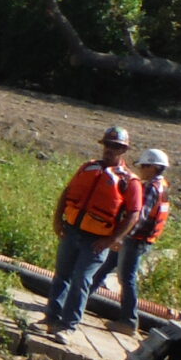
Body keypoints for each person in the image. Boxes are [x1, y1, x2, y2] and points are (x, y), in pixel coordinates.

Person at [44, 125, 141, 334]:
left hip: (97, 240)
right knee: (62, 275)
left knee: (81, 280)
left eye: (116, 146)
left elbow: (134, 214)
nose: (110, 150)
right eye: (108, 145)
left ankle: (68, 326)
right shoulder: (88, 167)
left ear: (123, 150)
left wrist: (111, 240)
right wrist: (57, 220)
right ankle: (51, 318)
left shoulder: (129, 181)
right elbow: (67, 192)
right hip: (72, 230)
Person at [113, 147, 171, 331]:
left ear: (153, 168)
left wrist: (121, 237)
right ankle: (77, 303)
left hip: (135, 239)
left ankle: (128, 322)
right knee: (105, 266)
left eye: (144, 166)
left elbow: (139, 216)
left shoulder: (150, 189)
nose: (141, 169)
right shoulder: (163, 186)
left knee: (127, 279)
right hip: (142, 240)